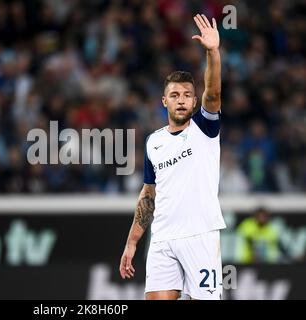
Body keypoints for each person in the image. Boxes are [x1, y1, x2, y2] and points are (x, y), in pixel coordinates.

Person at [119, 14, 226, 300]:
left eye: (187, 95)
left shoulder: (204, 128)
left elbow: (213, 93)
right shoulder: (154, 142)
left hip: (199, 235)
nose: (181, 99)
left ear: (194, 101)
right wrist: (132, 243)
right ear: (164, 100)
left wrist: (212, 52)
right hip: (163, 237)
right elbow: (148, 196)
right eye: (175, 94)